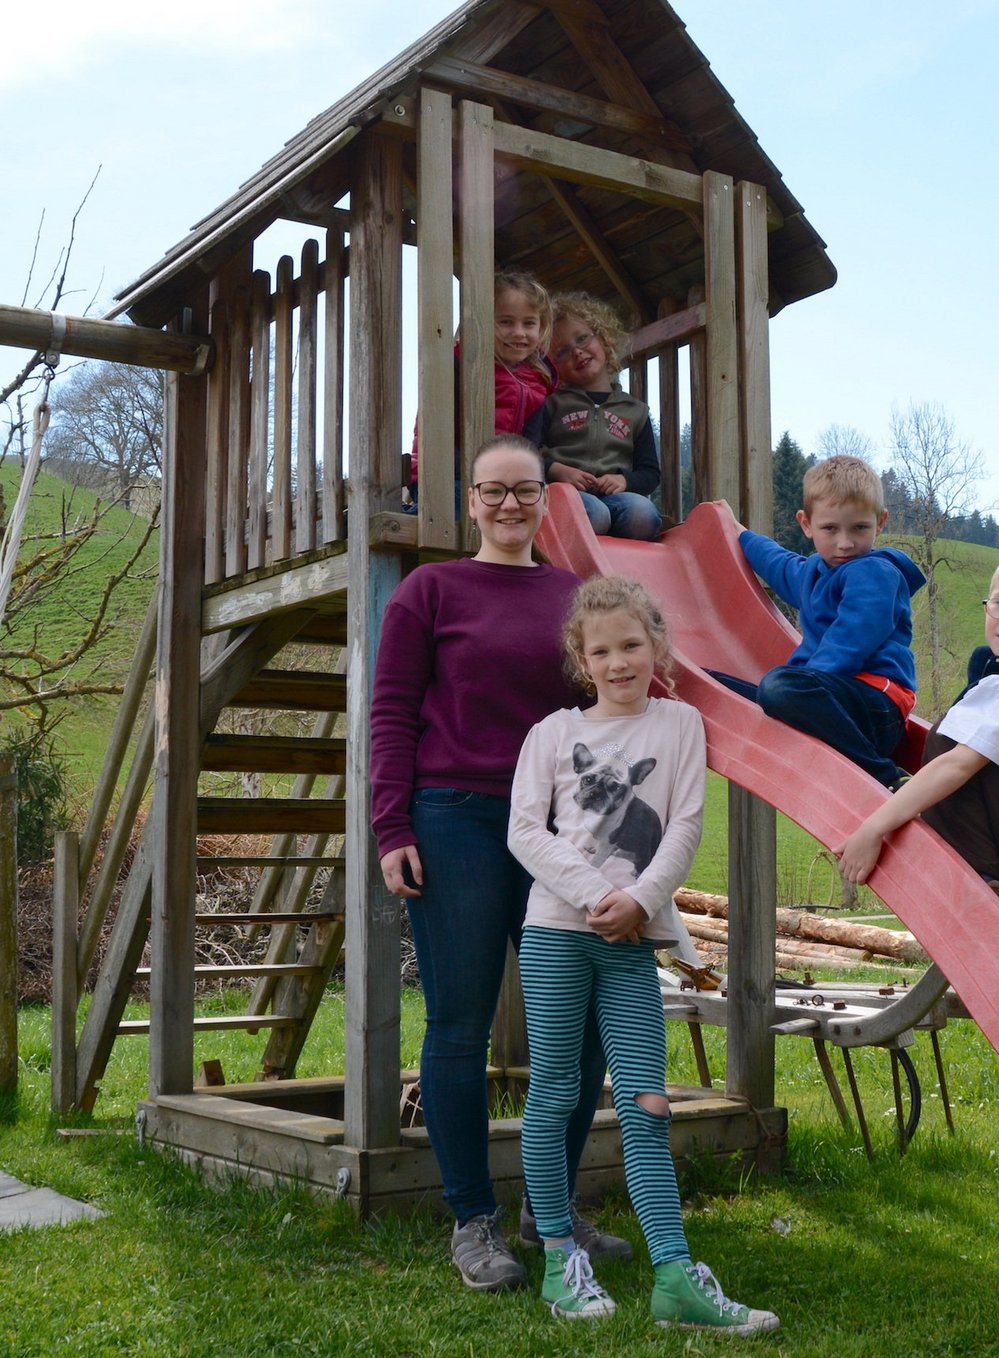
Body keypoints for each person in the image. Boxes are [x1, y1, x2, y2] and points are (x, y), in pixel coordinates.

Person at [370, 434, 630, 1292]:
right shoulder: (429, 591)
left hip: (563, 833)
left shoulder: (573, 598)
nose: (511, 504)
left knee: (584, 1023)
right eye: (494, 490)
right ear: (470, 498)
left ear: (545, 499)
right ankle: (474, 1222)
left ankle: (547, 1210)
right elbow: (393, 712)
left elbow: (609, 705)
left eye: (526, 490)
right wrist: (391, 826)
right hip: (457, 821)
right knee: (459, 1025)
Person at [508, 575, 779, 1333]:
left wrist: (640, 903)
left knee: (647, 1104)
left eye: (632, 645)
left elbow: (685, 825)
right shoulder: (553, 734)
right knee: (556, 1093)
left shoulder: (681, 725)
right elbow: (525, 832)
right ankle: (562, 1261)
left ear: (657, 647)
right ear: (580, 658)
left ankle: (673, 1279)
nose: (619, 661)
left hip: (632, 942)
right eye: (602, 650)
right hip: (558, 934)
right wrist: (601, 895)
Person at [836, 549, 999, 927]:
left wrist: (874, 826)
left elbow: (958, 764)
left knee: (951, 744)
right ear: (987, 605)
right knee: (955, 741)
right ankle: (986, 879)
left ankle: (979, 879)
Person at [712, 455, 925, 789]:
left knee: (779, 687)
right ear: (806, 524)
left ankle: (887, 777)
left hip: (874, 706)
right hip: (828, 696)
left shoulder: (875, 573)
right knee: (714, 684)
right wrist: (739, 533)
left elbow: (851, 640)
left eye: (860, 528)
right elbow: (780, 564)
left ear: (880, 522)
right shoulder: (815, 573)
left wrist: (802, 680)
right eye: (830, 528)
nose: (845, 542)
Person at [406, 269, 556, 508]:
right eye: (506, 322)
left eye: (529, 323)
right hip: (443, 475)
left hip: (499, 482)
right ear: (482, 322)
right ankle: (413, 510)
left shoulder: (537, 383)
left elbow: (530, 446)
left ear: (541, 328)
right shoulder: (460, 366)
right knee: (471, 506)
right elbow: (435, 435)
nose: (519, 333)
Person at [540, 292, 662, 540]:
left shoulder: (635, 411)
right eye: (562, 352)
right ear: (554, 365)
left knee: (644, 514)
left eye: (583, 339)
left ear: (604, 339)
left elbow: (650, 473)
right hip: (569, 494)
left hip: (616, 497)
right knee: (595, 514)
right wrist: (556, 470)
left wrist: (624, 481)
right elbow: (529, 454)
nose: (577, 352)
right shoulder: (552, 404)